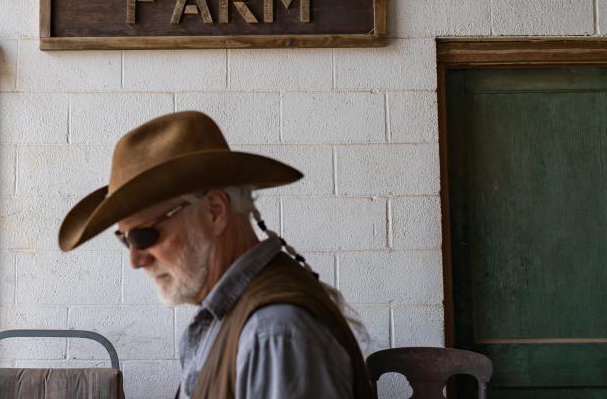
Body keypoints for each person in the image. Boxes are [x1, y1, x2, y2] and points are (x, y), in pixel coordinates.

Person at [59, 110, 374, 398]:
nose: (136, 260)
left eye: (145, 235)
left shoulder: (273, 334)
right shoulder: (239, 319)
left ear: (214, 210)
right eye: (126, 241)